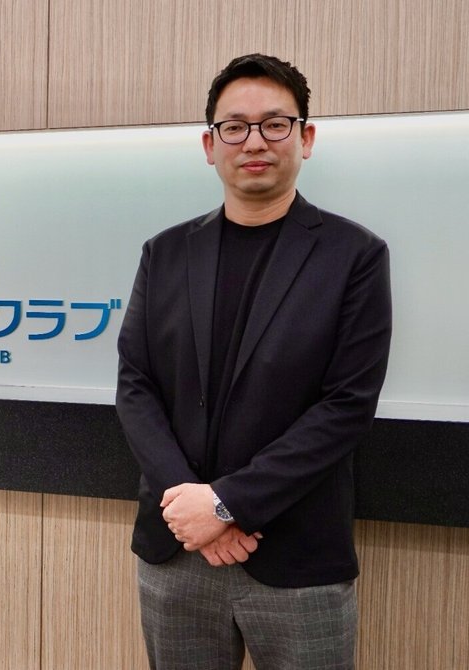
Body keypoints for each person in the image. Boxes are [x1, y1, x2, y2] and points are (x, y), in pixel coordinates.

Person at [115, 54, 392, 669]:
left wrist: (227, 505)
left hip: (295, 554)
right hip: (177, 547)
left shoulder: (355, 256)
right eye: (235, 127)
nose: (255, 141)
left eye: (275, 124)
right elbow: (136, 386)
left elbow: (346, 406)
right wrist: (190, 506)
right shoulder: (165, 253)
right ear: (209, 145)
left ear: (306, 138)